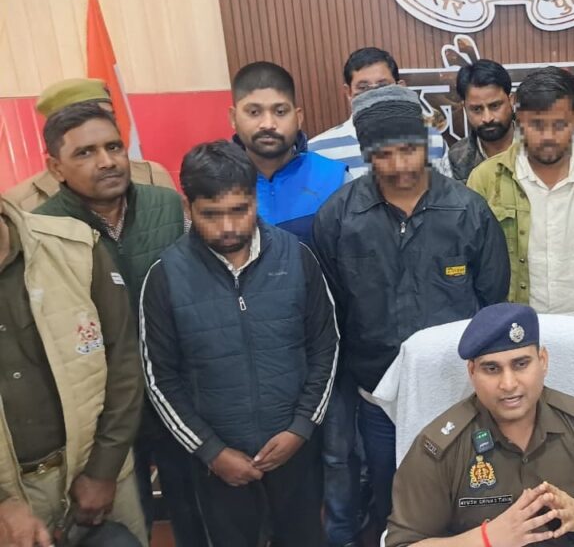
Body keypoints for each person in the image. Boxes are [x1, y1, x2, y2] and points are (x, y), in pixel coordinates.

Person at [313, 85, 510, 540]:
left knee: (468, 498)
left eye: (408, 149)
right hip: (379, 398)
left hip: (456, 393)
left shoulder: (468, 210)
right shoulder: (339, 218)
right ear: (366, 154)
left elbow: (491, 302)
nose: (400, 165)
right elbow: (332, 310)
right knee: (393, 499)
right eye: (384, 154)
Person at [140, 140, 339, 546]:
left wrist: (301, 428)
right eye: (211, 215)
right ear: (188, 207)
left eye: (239, 210)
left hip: (294, 451)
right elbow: (160, 380)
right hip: (217, 463)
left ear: (254, 200)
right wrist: (211, 451)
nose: (228, 227)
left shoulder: (297, 257)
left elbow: (326, 347)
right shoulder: (164, 276)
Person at [27, 100, 204, 545]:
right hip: (100, 418)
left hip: (178, 398)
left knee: (195, 516)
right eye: (85, 153)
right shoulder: (40, 232)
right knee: (126, 526)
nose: (106, 161)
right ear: (55, 168)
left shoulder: (167, 206)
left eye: (113, 146)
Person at [386, 302, 574, 547]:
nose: (508, 384)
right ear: (472, 372)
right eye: (492, 368)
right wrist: (486, 539)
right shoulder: (440, 447)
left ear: (543, 361)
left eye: (520, 364)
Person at [0, 197, 146, 544]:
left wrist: (103, 469)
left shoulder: (74, 246)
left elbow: (124, 358)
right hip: (12, 507)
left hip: (97, 474)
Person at [468, 66, 574, 327]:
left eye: (559, 124)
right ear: (519, 119)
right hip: (516, 330)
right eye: (537, 125)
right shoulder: (486, 179)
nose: (548, 137)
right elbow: (473, 265)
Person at [4, 78, 176, 211]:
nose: (101, 127)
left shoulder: (152, 174)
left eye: (109, 117)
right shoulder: (21, 201)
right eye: (85, 119)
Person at [230, 61, 348, 245]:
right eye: (254, 112)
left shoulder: (336, 179)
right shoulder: (215, 183)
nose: (268, 124)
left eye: (280, 112)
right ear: (233, 118)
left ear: (298, 117)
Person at [309, 47, 451, 178]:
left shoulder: (433, 140)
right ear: (349, 93)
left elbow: (448, 194)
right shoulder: (319, 152)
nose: (374, 94)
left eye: (383, 86)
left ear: (400, 88)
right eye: (363, 88)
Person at [449, 59, 516, 182]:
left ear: (511, 101)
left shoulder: (536, 146)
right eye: (477, 109)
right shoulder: (457, 157)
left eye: (495, 106)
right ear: (464, 108)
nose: (487, 118)